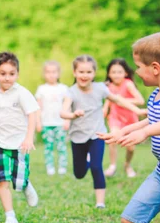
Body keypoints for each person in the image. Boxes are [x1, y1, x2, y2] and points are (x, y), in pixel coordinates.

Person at [95, 32, 160, 223]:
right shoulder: (155, 96)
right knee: (129, 222)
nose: (135, 71)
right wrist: (125, 130)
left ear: (156, 68)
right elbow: (152, 118)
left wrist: (145, 132)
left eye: (138, 66)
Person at [60, 55, 145, 208]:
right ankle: (85, 163)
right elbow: (63, 112)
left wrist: (137, 110)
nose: (84, 75)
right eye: (81, 72)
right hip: (78, 137)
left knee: (96, 167)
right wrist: (73, 115)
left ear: (94, 73)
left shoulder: (100, 88)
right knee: (79, 173)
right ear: (74, 73)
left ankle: (100, 202)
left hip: (97, 134)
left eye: (88, 72)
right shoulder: (71, 92)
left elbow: (119, 100)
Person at [0, 52, 39, 223]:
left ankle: (26, 184)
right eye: (3, 73)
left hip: (20, 143)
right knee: (2, 181)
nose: (7, 78)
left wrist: (29, 137)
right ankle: (10, 217)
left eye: (11, 74)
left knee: (19, 183)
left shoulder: (22, 93)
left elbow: (32, 115)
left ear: (17, 74)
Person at [102, 58, 145, 178]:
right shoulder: (108, 86)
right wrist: (104, 111)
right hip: (115, 118)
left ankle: (127, 165)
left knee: (130, 148)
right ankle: (112, 166)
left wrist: (120, 100)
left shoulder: (128, 84)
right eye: (113, 72)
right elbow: (108, 102)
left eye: (119, 72)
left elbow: (140, 100)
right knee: (113, 138)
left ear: (125, 73)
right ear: (109, 74)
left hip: (130, 119)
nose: (116, 75)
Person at [35, 61, 69, 176]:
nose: (51, 75)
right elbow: (38, 107)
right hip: (46, 123)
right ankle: (50, 167)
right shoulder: (41, 89)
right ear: (44, 74)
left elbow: (67, 105)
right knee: (48, 147)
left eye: (54, 72)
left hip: (60, 122)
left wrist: (67, 120)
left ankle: (62, 167)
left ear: (58, 73)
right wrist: (38, 122)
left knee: (61, 146)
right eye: (48, 72)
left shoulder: (63, 88)